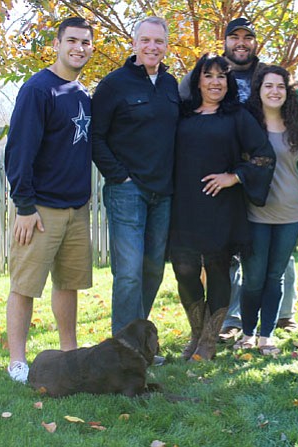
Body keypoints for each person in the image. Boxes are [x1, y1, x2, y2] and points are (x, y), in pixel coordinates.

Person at [3, 17, 94, 383]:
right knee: (25, 286)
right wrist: (24, 206)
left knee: (67, 284)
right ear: (57, 44)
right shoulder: (38, 90)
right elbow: (18, 152)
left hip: (77, 208)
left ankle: (69, 353)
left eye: (86, 42)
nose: (79, 48)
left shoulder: (83, 93)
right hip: (40, 210)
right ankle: (17, 362)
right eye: (72, 40)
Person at [170, 54, 275, 361]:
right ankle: (196, 333)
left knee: (217, 269)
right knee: (184, 269)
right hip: (184, 203)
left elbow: (264, 155)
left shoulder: (237, 116)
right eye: (208, 76)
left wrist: (235, 177)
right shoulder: (183, 114)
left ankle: (209, 341)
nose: (215, 82)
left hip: (221, 205)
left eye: (221, 77)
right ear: (197, 81)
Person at [91, 16, 179, 336]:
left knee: (153, 270)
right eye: (146, 40)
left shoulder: (171, 85)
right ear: (134, 43)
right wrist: (119, 177)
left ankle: (137, 339)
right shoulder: (114, 84)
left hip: (163, 192)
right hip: (127, 192)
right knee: (128, 273)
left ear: (166, 46)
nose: (152, 47)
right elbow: (95, 136)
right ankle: (124, 347)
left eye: (159, 41)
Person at [234, 65, 298, 355]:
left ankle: (267, 335)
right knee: (253, 276)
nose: (274, 91)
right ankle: (248, 331)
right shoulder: (247, 124)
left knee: (275, 275)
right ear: (259, 91)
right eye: (268, 86)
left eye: (280, 86)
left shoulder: (296, 127)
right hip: (256, 212)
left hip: (292, 211)